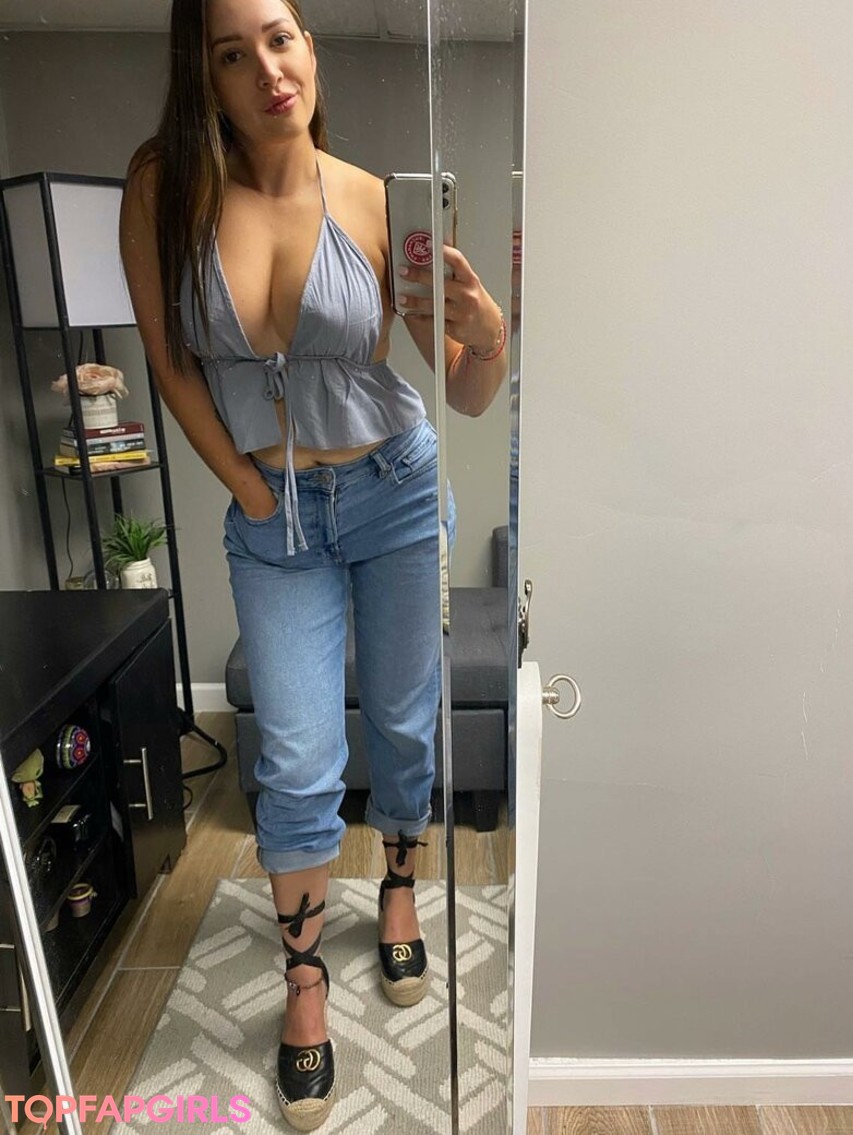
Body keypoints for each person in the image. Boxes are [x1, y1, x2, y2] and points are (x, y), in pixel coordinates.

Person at [119, 0, 507, 1127]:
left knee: (403, 719)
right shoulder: (165, 188)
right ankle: (304, 980)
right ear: (205, 77)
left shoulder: (378, 202)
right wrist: (250, 491)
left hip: (394, 489)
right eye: (231, 54)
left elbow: (463, 391)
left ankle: (398, 891)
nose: (266, 69)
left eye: (279, 37)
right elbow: (169, 362)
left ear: (310, 47)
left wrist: (488, 331)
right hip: (271, 512)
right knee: (294, 755)